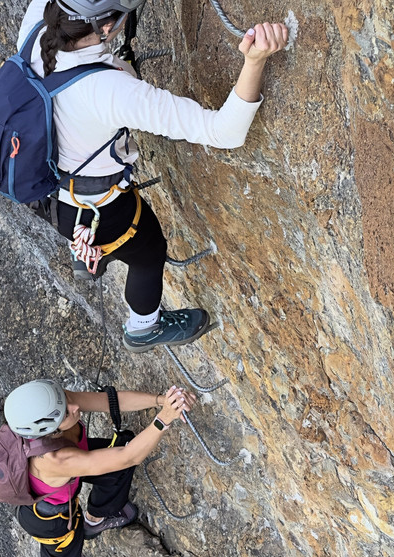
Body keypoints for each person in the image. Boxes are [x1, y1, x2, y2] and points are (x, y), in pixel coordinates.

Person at [17, 0, 289, 352]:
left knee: (118, 239)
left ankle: (87, 250)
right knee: (149, 253)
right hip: (101, 210)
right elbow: (225, 132)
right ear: (107, 27)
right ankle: (143, 327)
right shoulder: (113, 93)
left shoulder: (37, 20)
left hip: (49, 188)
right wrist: (255, 60)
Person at [2, 378, 195, 557]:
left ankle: (96, 519)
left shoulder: (55, 405)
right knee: (64, 553)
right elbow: (128, 456)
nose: (74, 406)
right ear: (49, 429)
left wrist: (162, 401)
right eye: (65, 413)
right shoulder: (55, 460)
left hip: (70, 476)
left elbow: (110, 401)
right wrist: (164, 418)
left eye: (65, 402)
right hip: (49, 519)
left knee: (120, 457)